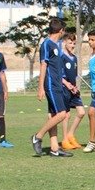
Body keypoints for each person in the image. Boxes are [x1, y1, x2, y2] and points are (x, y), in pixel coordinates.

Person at [31, 16, 72, 157]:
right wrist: (40, 87)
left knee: (54, 114)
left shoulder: (56, 45)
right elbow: (43, 65)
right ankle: (38, 136)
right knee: (62, 114)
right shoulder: (46, 44)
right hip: (50, 84)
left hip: (57, 83)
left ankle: (54, 148)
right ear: (61, 30)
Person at [59, 32, 87, 150]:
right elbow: (59, 75)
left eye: (74, 43)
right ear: (64, 43)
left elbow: (74, 76)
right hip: (64, 89)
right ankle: (65, 140)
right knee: (66, 115)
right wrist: (67, 84)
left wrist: (74, 86)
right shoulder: (61, 57)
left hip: (73, 90)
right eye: (70, 43)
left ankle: (70, 134)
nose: (72, 45)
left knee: (81, 112)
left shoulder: (74, 58)